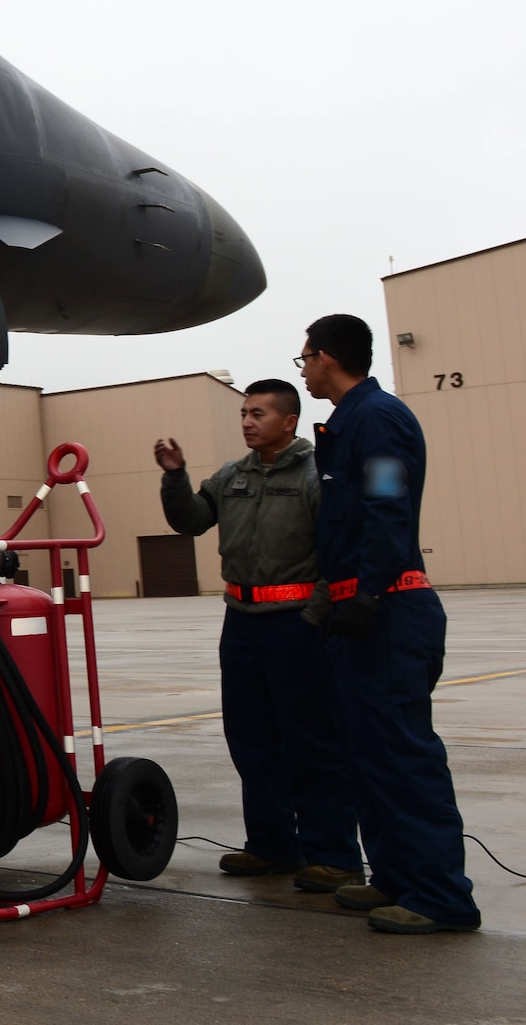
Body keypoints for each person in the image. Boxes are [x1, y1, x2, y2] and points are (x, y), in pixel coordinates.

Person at [299, 314, 480, 934]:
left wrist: (369, 593)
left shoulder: (376, 419)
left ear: (327, 358)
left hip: (388, 610)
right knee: (366, 755)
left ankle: (440, 896)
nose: (304, 369)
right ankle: (398, 877)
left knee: (401, 756)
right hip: (361, 609)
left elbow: (386, 504)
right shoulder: (348, 422)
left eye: (305, 359)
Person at [156, 380, 362, 892]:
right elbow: (191, 521)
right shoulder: (232, 476)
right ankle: (272, 845)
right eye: (244, 413)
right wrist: (175, 477)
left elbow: (337, 553)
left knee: (310, 740)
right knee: (251, 740)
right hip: (242, 623)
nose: (247, 421)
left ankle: (333, 854)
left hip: (296, 626)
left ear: (289, 421)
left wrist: (314, 615)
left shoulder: (317, 475)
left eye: (258, 413)